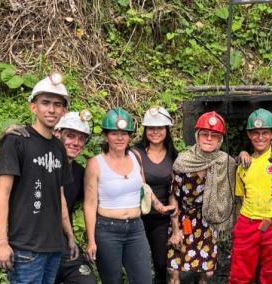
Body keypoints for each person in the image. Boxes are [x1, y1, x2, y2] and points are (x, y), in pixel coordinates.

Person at [0, 73, 78, 283]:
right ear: (33, 107)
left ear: (64, 111)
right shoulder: (17, 141)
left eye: (57, 105)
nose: (51, 109)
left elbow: (59, 195)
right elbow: (2, 194)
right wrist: (2, 242)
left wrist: (69, 235)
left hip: (53, 246)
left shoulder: (59, 147)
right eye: (45, 103)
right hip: (25, 248)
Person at [83, 107, 175, 284]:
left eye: (124, 133)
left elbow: (143, 186)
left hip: (135, 227)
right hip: (107, 229)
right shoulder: (95, 163)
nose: (120, 138)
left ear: (130, 136)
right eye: (114, 133)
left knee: (143, 279)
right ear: (105, 136)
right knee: (112, 279)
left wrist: (159, 206)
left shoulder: (135, 157)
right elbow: (89, 204)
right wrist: (91, 240)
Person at [229, 108, 272, 284]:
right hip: (248, 222)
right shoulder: (244, 164)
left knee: (271, 276)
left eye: (265, 133)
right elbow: (240, 199)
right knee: (239, 275)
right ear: (249, 134)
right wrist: (238, 227)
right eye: (255, 133)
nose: (260, 137)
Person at [167, 111, 236, 284]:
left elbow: (240, 181)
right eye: (205, 134)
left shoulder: (225, 162)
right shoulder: (183, 161)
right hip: (184, 219)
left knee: (208, 273)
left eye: (214, 135)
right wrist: (176, 230)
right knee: (173, 269)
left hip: (208, 220)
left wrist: (243, 154)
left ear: (220, 140)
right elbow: (173, 197)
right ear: (197, 136)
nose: (209, 138)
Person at [134, 107, 178, 284]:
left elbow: (175, 190)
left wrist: (176, 225)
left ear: (167, 130)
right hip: (139, 216)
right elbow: (140, 184)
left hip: (162, 219)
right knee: (139, 263)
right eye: (151, 128)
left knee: (161, 264)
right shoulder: (135, 153)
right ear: (145, 130)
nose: (155, 132)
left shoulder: (174, 156)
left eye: (160, 128)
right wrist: (157, 204)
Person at [53, 111, 96, 284]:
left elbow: (94, 202)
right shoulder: (39, 163)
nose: (76, 143)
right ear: (57, 134)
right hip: (35, 245)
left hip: (65, 244)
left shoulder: (79, 172)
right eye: (70, 136)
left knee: (86, 280)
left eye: (81, 139)